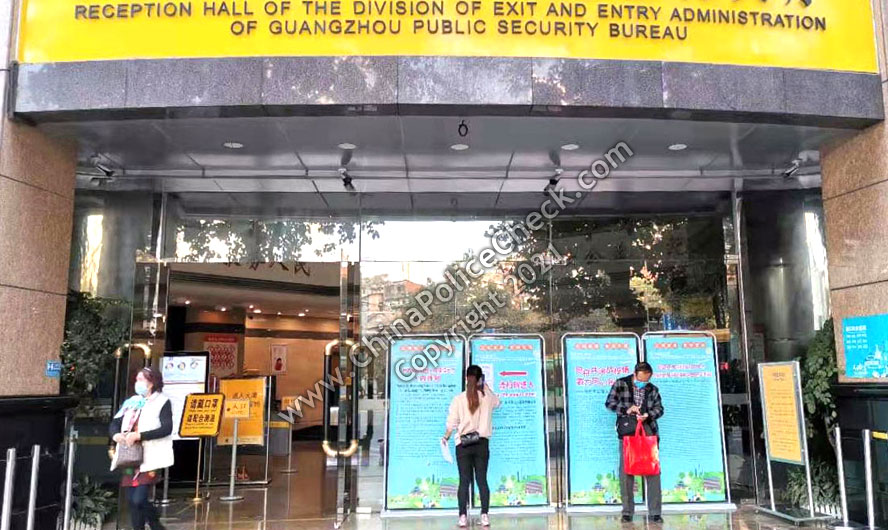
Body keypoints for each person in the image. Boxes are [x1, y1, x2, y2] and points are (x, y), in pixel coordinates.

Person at [109, 367, 174, 530]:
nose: (137, 383)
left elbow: (166, 428)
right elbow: (115, 423)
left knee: (139, 498)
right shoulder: (131, 402)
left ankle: (155, 523)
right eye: (136, 380)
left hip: (151, 457)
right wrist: (116, 435)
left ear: (151, 383)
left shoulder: (162, 401)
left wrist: (139, 435)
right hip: (130, 456)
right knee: (131, 500)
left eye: (141, 380)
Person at [605, 361, 664, 524]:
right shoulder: (621, 383)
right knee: (626, 472)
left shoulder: (652, 389)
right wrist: (627, 409)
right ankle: (627, 512)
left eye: (646, 380)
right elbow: (609, 403)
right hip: (627, 434)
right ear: (635, 374)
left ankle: (655, 512)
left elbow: (660, 409)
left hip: (648, 433)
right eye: (641, 379)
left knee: (653, 472)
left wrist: (648, 414)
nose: (643, 383)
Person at [443, 365, 501, 528]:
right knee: (482, 480)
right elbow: (498, 403)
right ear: (480, 379)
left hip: (463, 445)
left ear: (466, 379)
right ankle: (484, 516)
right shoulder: (488, 397)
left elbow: (451, 423)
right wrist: (486, 387)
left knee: (464, 481)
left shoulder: (459, 399)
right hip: (482, 444)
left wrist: (446, 437)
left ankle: (462, 516)